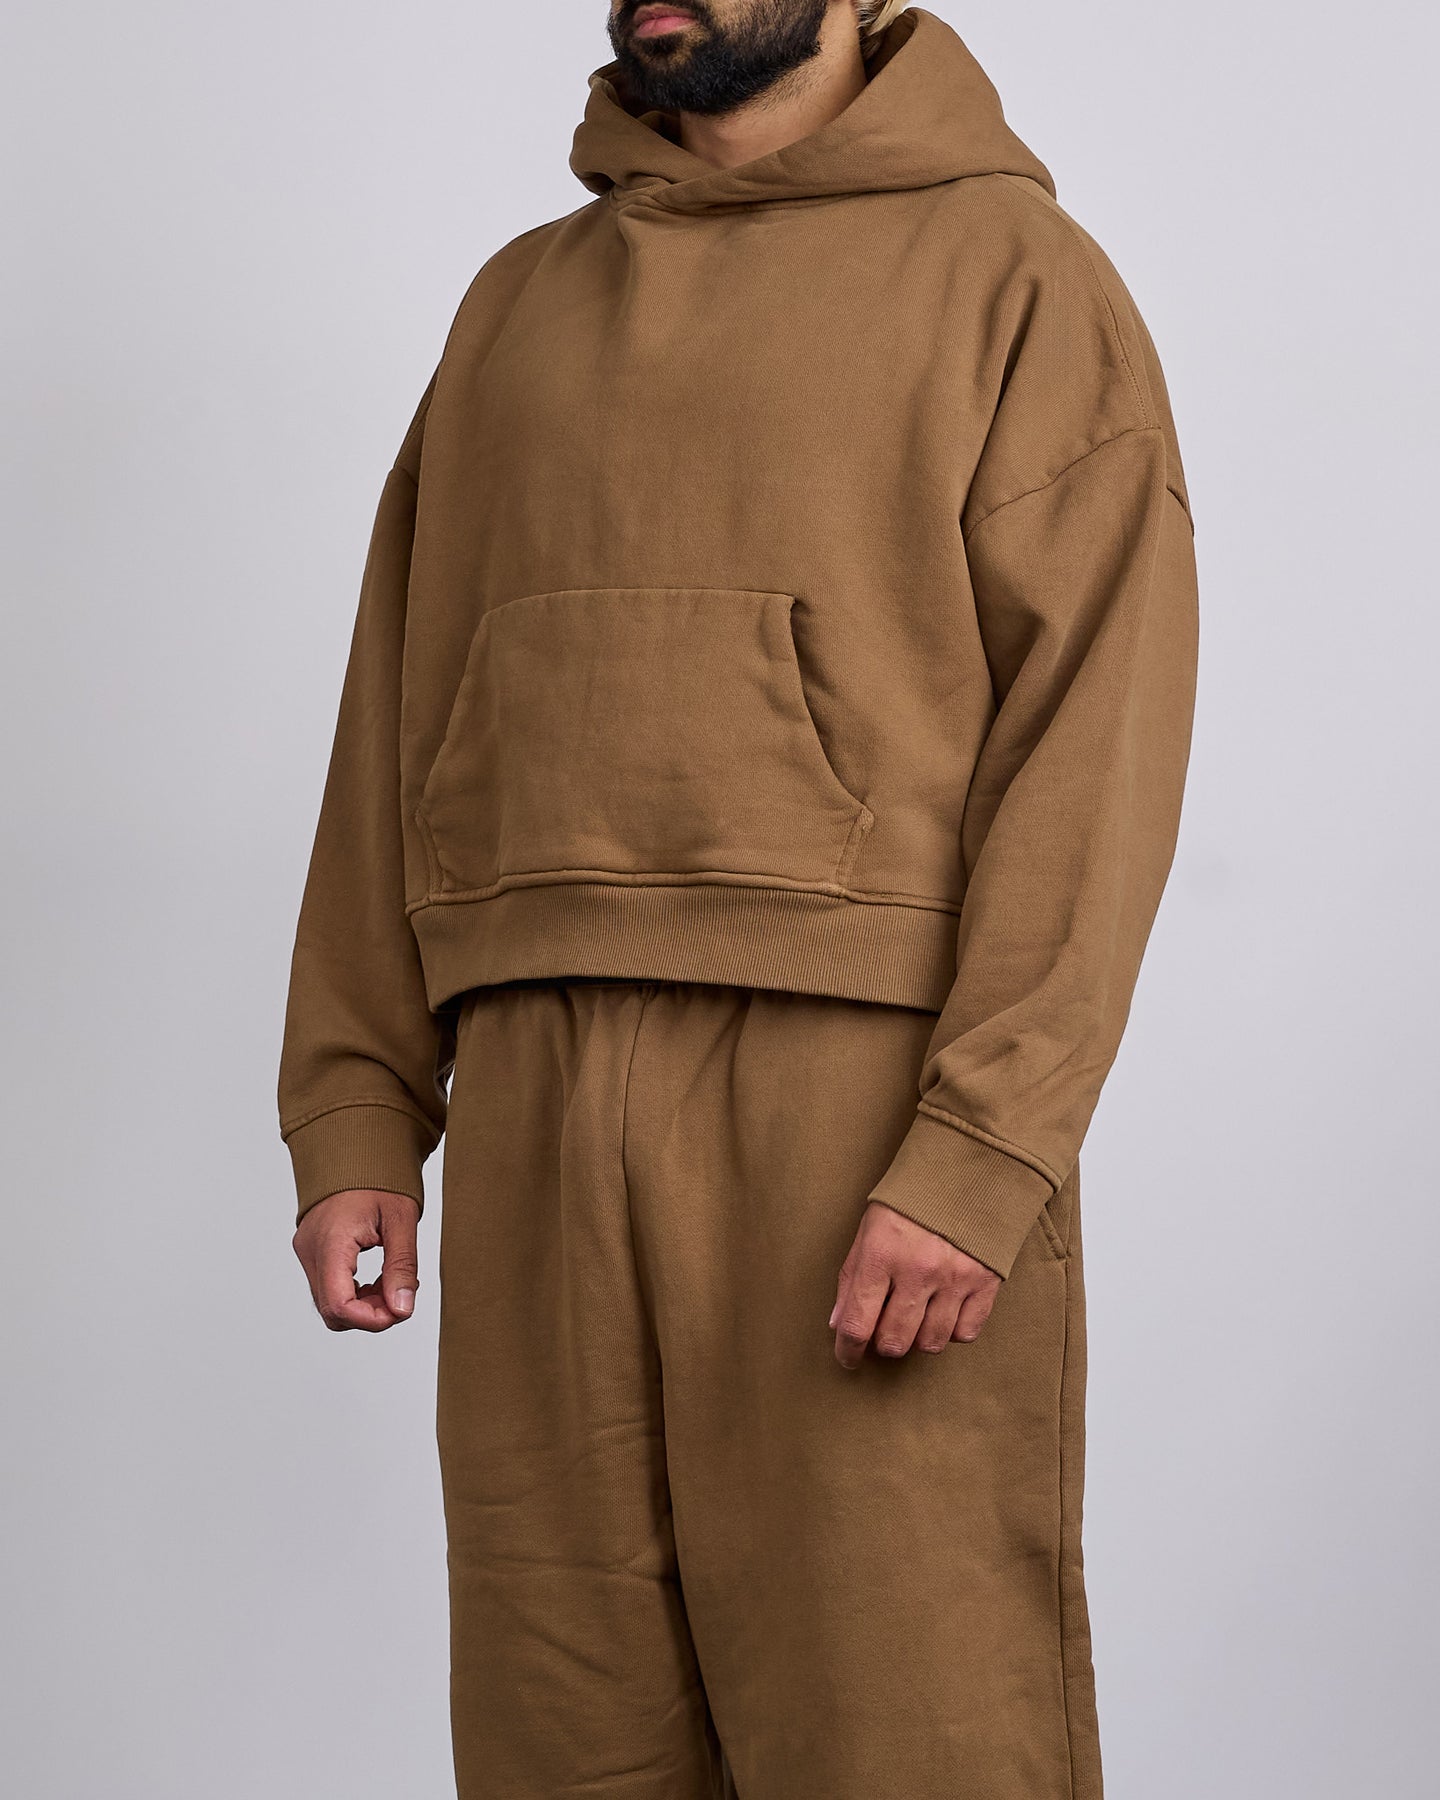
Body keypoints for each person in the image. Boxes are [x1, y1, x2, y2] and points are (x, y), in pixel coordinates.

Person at [278, 3, 1199, 1794]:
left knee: (908, 1728)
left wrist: (982, 1152)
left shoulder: (1015, 277)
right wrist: (355, 1104)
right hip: (535, 1087)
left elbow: (1101, 739)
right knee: (565, 1731)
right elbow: (397, 698)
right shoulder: (515, 306)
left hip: (852, 1102)